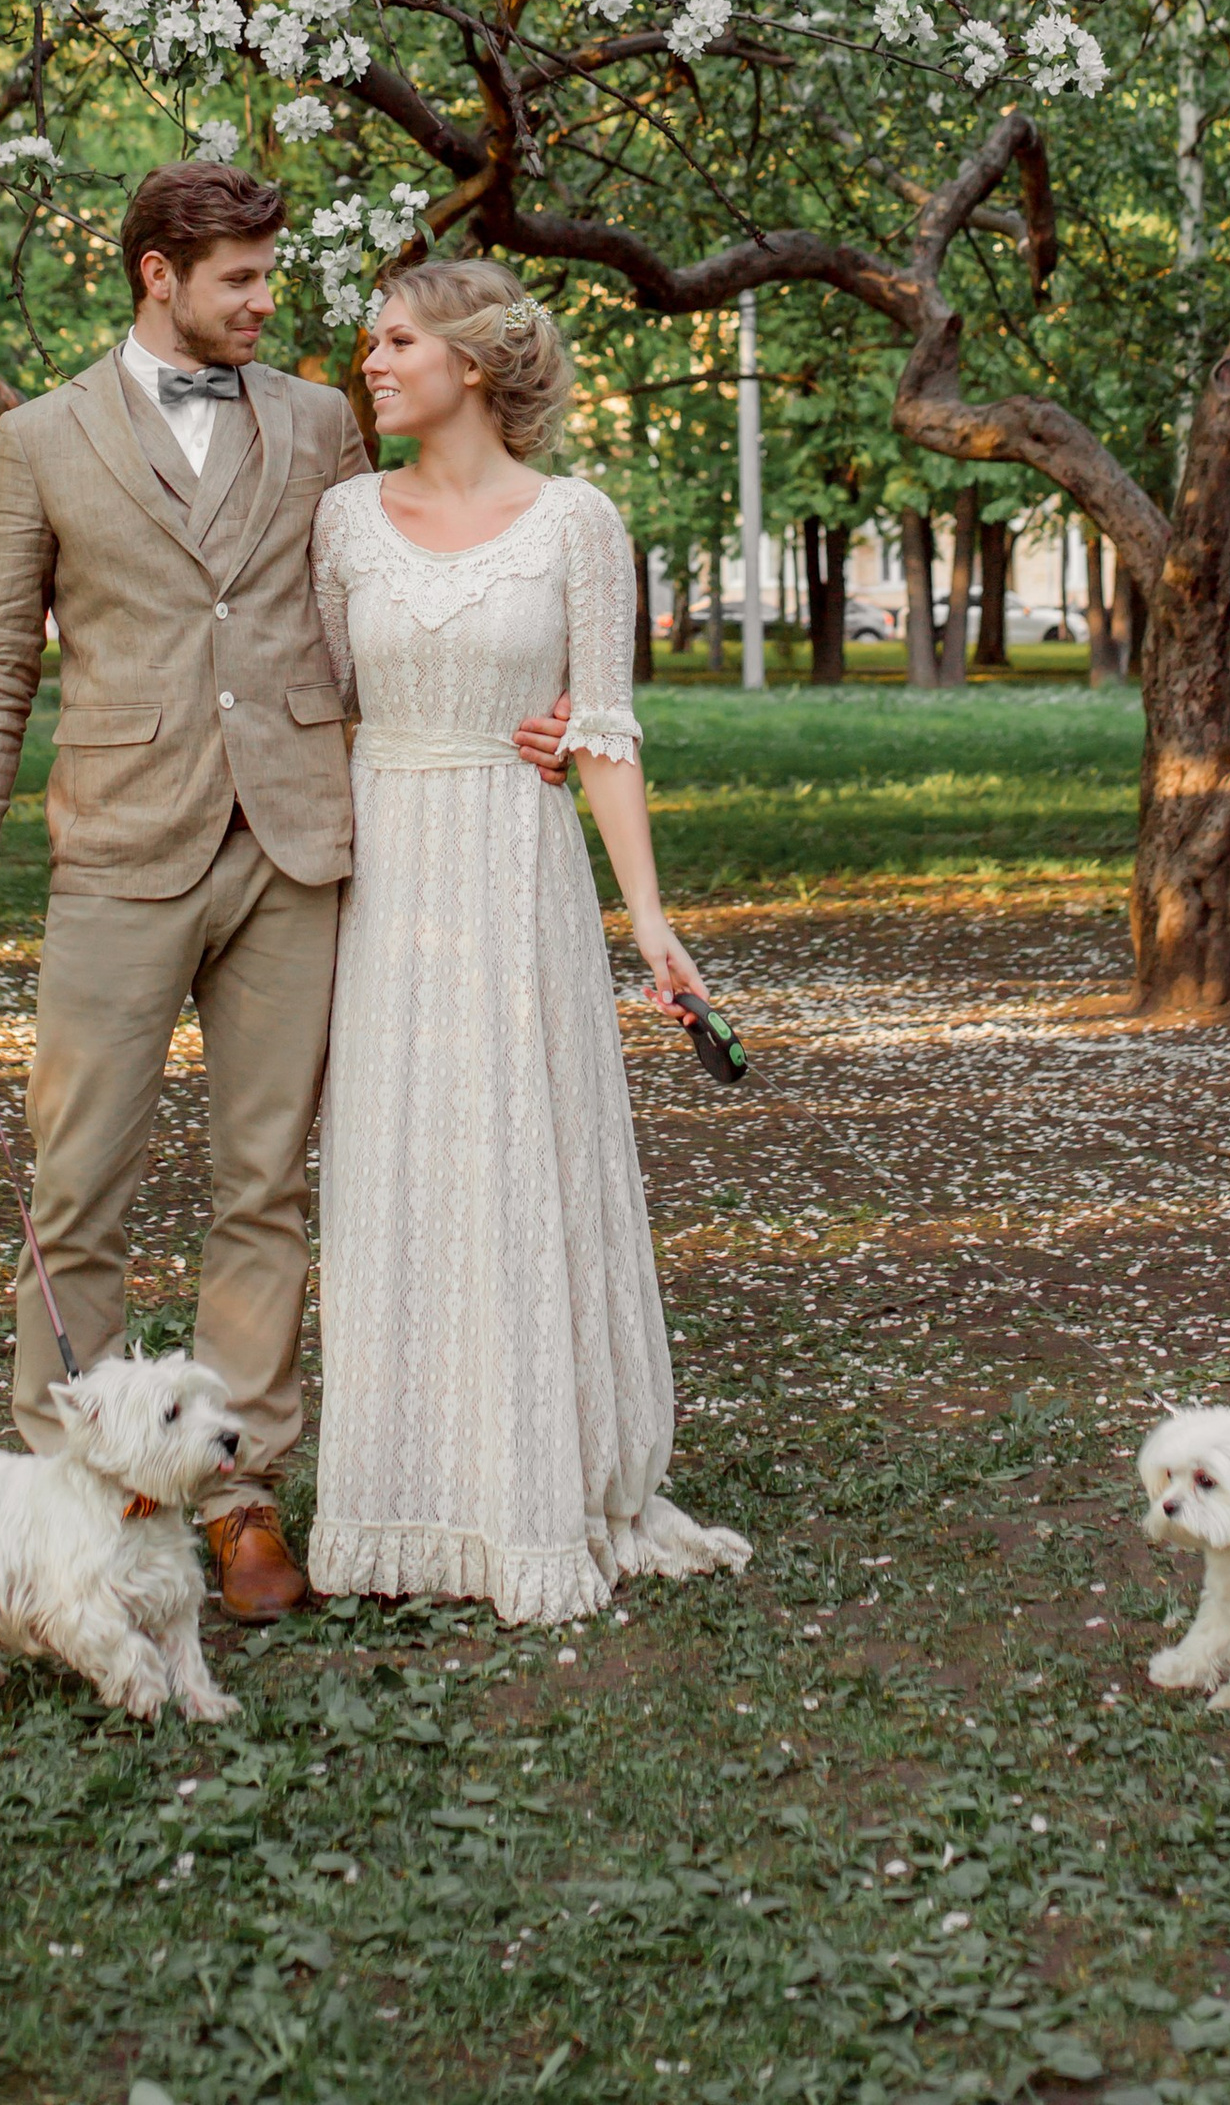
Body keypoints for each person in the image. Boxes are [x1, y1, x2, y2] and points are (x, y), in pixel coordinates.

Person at [0, 163, 564, 1620]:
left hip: (297, 847)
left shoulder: (323, 425)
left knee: (263, 1186)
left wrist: (522, 699)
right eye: (242, 282)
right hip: (120, 850)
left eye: (273, 276)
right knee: (75, 1188)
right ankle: (68, 1488)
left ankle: (244, 1493)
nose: (271, 305)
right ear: (157, 273)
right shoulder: (39, 439)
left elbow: (399, 580)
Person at [307, 258, 751, 1623]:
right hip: (383, 873)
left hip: (517, 868)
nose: (371, 362)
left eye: (395, 342)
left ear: (474, 366)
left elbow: (604, 734)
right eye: (371, 340)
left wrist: (654, 924)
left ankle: (539, 1488)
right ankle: (400, 1489)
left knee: (517, 1155)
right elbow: (318, 706)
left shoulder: (577, 524)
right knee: (393, 1169)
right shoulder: (340, 522)